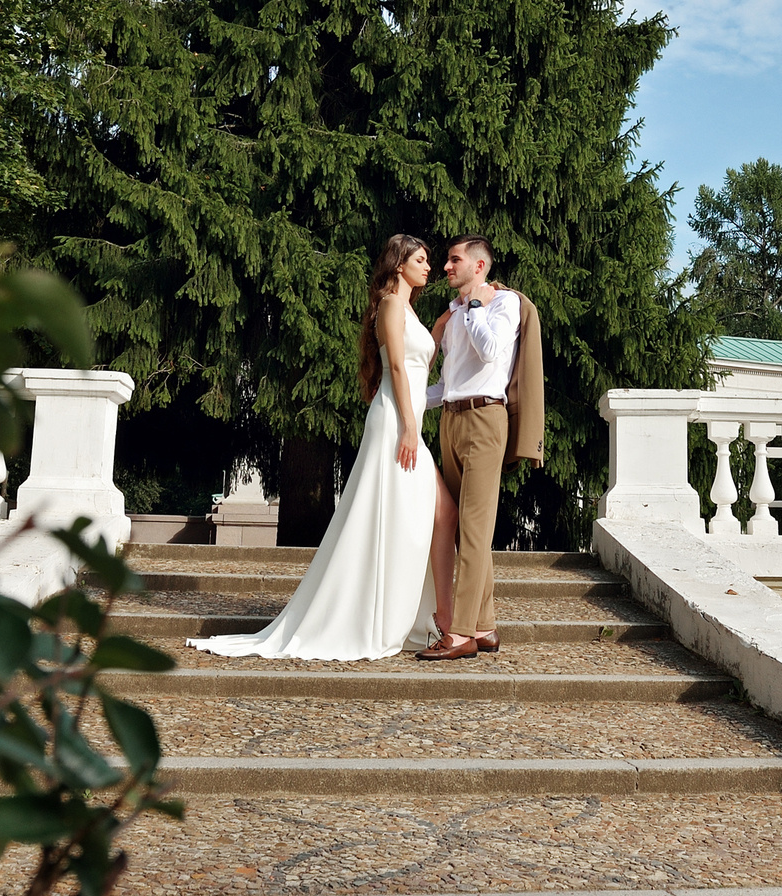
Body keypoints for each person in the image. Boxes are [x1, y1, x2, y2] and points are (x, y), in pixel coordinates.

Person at [186, 235, 439, 661]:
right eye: (420, 259)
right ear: (399, 265)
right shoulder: (392, 303)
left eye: (429, 260)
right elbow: (396, 365)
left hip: (407, 419)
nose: (428, 266)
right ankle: (370, 616)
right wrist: (410, 426)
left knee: (409, 514)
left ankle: (402, 614)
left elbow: (417, 365)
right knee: (388, 513)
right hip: (397, 421)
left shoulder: (410, 307)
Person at [416, 234, 544, 661]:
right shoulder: (453, 316)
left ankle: (461, 634)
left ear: (480, 265)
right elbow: (448, 384)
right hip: (451, 420)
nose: (446, 267)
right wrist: (407, 402)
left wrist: (473, 305)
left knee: (474, 530)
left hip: (487, 421)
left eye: (454, 261)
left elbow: (491, 353)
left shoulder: (505, 305)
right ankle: (486, 627)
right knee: (464, 531)